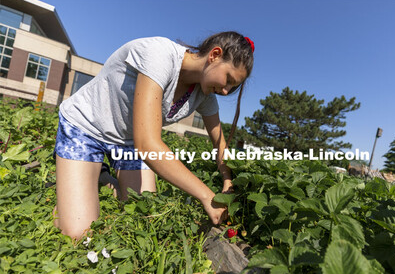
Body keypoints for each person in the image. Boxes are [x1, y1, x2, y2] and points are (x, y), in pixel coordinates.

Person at [53, 31, 254, 239]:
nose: (225, 91)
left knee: (145, 215)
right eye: (228, 79)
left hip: (127, 143)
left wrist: (227, 180)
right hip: (86, 129)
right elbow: (148, 145)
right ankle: (84, 176)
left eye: (233, 87)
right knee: (78, 233)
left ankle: (102, 177)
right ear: (215, 55)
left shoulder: (204, 95)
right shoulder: (160, 55)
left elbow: (220, 143)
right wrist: (207, 196)